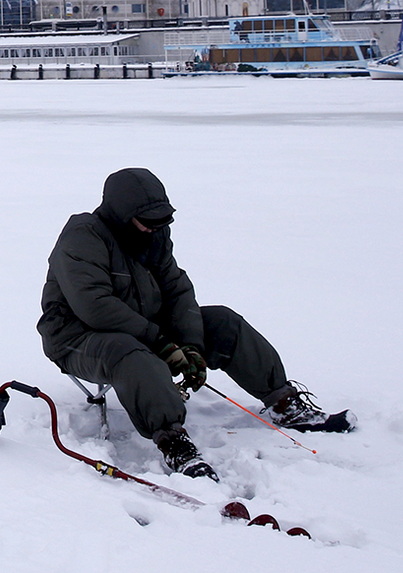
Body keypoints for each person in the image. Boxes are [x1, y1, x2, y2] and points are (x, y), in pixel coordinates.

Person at [38, 167, 351, 480]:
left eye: (162, 221)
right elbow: (95, 306)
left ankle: (283, 401)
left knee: (222, 322)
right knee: (131, 352)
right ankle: (172, 440)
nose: (154, 229)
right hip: (77, 336)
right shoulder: (83, 236)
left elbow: (176, 288)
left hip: (142, 325)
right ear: (122, 214)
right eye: (148, 222)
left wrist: (191, 345)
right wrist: (159, 341)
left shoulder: (153, 235)